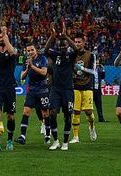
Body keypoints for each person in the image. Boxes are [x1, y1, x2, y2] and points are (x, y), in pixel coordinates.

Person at [45, 22, 77, 151]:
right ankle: (56, 140)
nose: (62, 45)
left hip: (68, 89)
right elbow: (45, 50)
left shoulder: (71, 55)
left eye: (64, 44)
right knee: (52, 113)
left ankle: (65, 142)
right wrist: (52, 37)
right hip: (55, 89)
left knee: (67, 116)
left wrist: (66, 36)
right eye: (60, 44)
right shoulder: (55, 54)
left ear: (67, 45)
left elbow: (77, 49)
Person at [15, 43, 50, 145]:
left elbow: (44, 73)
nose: (30, 52)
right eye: (28, 51)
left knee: (45, 114)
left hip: (43, 90)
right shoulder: (26, 62)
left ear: (36, 50)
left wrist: (32, 66)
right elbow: (22, 77)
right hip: (31, 90)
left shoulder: (42, 59)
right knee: (26, 112)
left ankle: (47, 135)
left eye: (32, 50)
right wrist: (27, 69)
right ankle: (22, 136)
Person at [70, 33, 97, 144]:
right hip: (75, 86)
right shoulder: (71, 55)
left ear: (83, 42)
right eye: (75, 42)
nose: (77, 44)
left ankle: (91, 126)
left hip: (87, 86)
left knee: (88, 111)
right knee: (75, 112)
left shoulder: (91, 55)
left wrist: (82, 68)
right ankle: (76, 137)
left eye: (79, 42)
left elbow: (93, 71)